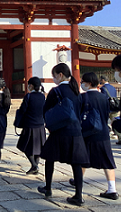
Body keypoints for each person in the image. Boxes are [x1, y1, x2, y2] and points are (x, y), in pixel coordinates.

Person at [38, 63, 88, 207]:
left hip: (59, 131)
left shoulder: (55, 91)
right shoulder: (77, 92)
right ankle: (78, 195)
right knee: (76, 164)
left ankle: (48, 188)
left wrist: (50, 125)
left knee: (50, 159)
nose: (54, 78)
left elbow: (46, 111)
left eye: (54, 75)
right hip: (75, 132)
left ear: (60, 75)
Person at [70, 72, 118, 200]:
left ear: (89, 83)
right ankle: (112, 189)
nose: (81, 84)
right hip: (103, 133)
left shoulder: (82, 98)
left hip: (87, 133)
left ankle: (77, 181)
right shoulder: (104, 97)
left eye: (83, 82)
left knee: (82, 159)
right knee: (107, 161)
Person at [16, 77, 46, 174]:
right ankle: (35, 166)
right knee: (38, 148)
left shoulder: (28, 96)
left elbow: (23, 110)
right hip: (40, 125)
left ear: (31, 85)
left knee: (25, 146)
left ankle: (34, 165)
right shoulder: (43, 97)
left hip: (30, 125)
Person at [99, 75, 121, 143]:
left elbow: (103, 98)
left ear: (103, 80)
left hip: (107, 108)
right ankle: (120, 138)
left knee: (105, 123)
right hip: (114, 107)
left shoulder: (103, 88)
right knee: (115, 123)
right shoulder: (113, 87)